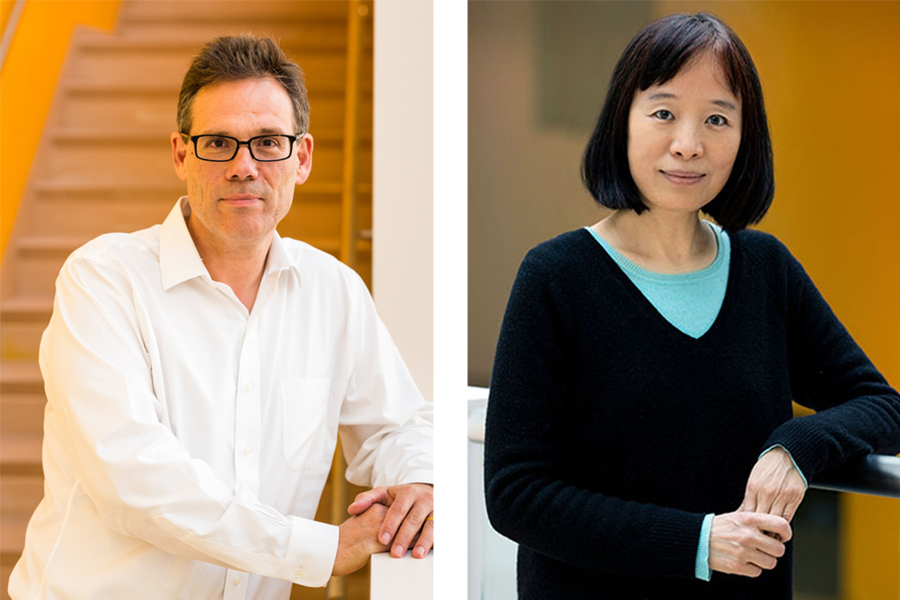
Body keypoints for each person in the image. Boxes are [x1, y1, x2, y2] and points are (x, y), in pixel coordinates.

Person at [483, 12, 900, 600]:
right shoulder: (556, 276)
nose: (688, 144)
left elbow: (882, 407)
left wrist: (797, 446)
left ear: (745, 137)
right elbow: (516, 494)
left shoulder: (765, 269)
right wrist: (698, 542)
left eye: (717, 119)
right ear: (622, 121)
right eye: (663, 113)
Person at [9, 34, 433, 600]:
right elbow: (132, 477)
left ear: (302, 158)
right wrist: (321, 548)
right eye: (217, 143)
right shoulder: (102, 280)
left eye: (268, 143)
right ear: (181, 154)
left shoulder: (334, 291)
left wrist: (420, 484)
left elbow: (397, 425)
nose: (243, 167)